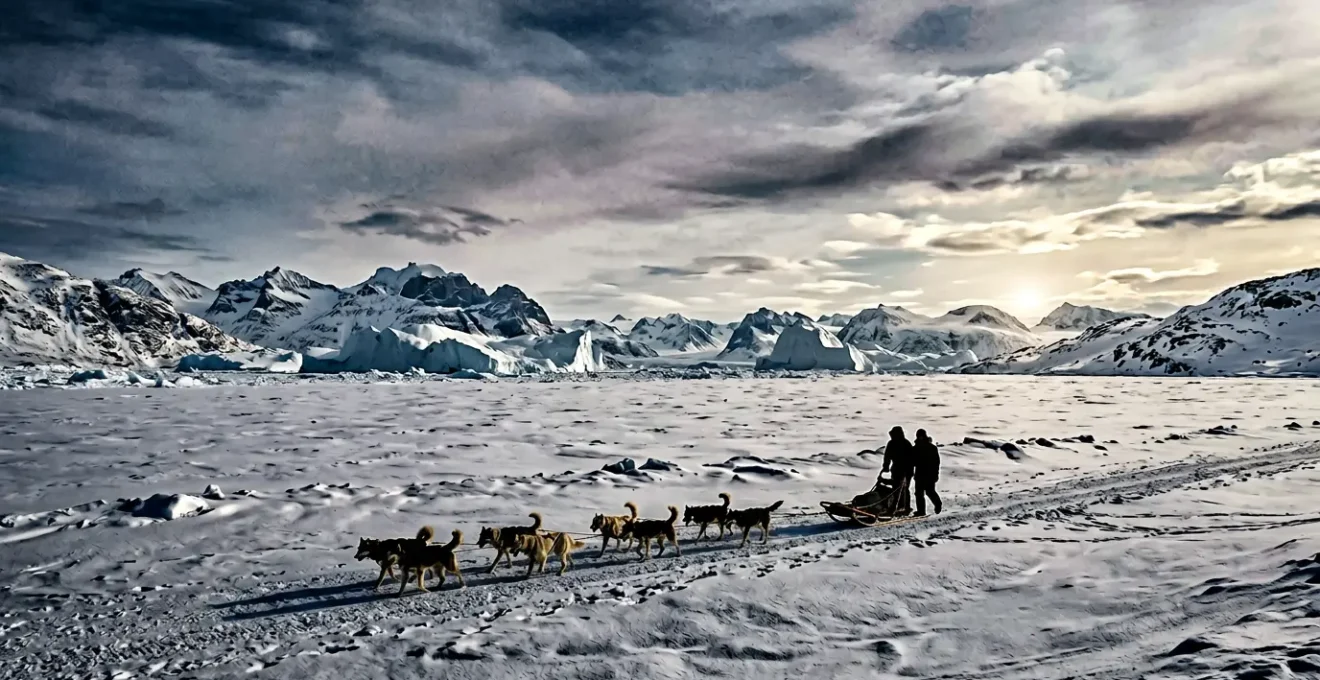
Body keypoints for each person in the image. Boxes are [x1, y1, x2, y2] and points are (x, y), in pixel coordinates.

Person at [881, 426, 914, 515]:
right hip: (896, 469)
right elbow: (887, 456)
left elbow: (911, 458)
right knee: (896, 488)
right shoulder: (891, 443)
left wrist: (908, 471)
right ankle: (899, 506)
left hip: (906, 470)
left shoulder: (906, 443)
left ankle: (904, 507)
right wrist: (886, 466)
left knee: (904, 489)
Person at [913, 429, 942, 516]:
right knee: (919, 493)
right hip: (920, 473)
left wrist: (936, 473)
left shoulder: (932, 448)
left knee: (929, 491)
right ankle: (921, 511)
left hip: (929, 474)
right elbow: (912, 461)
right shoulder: (916, 448)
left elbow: (936, 462)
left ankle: (937, 503)